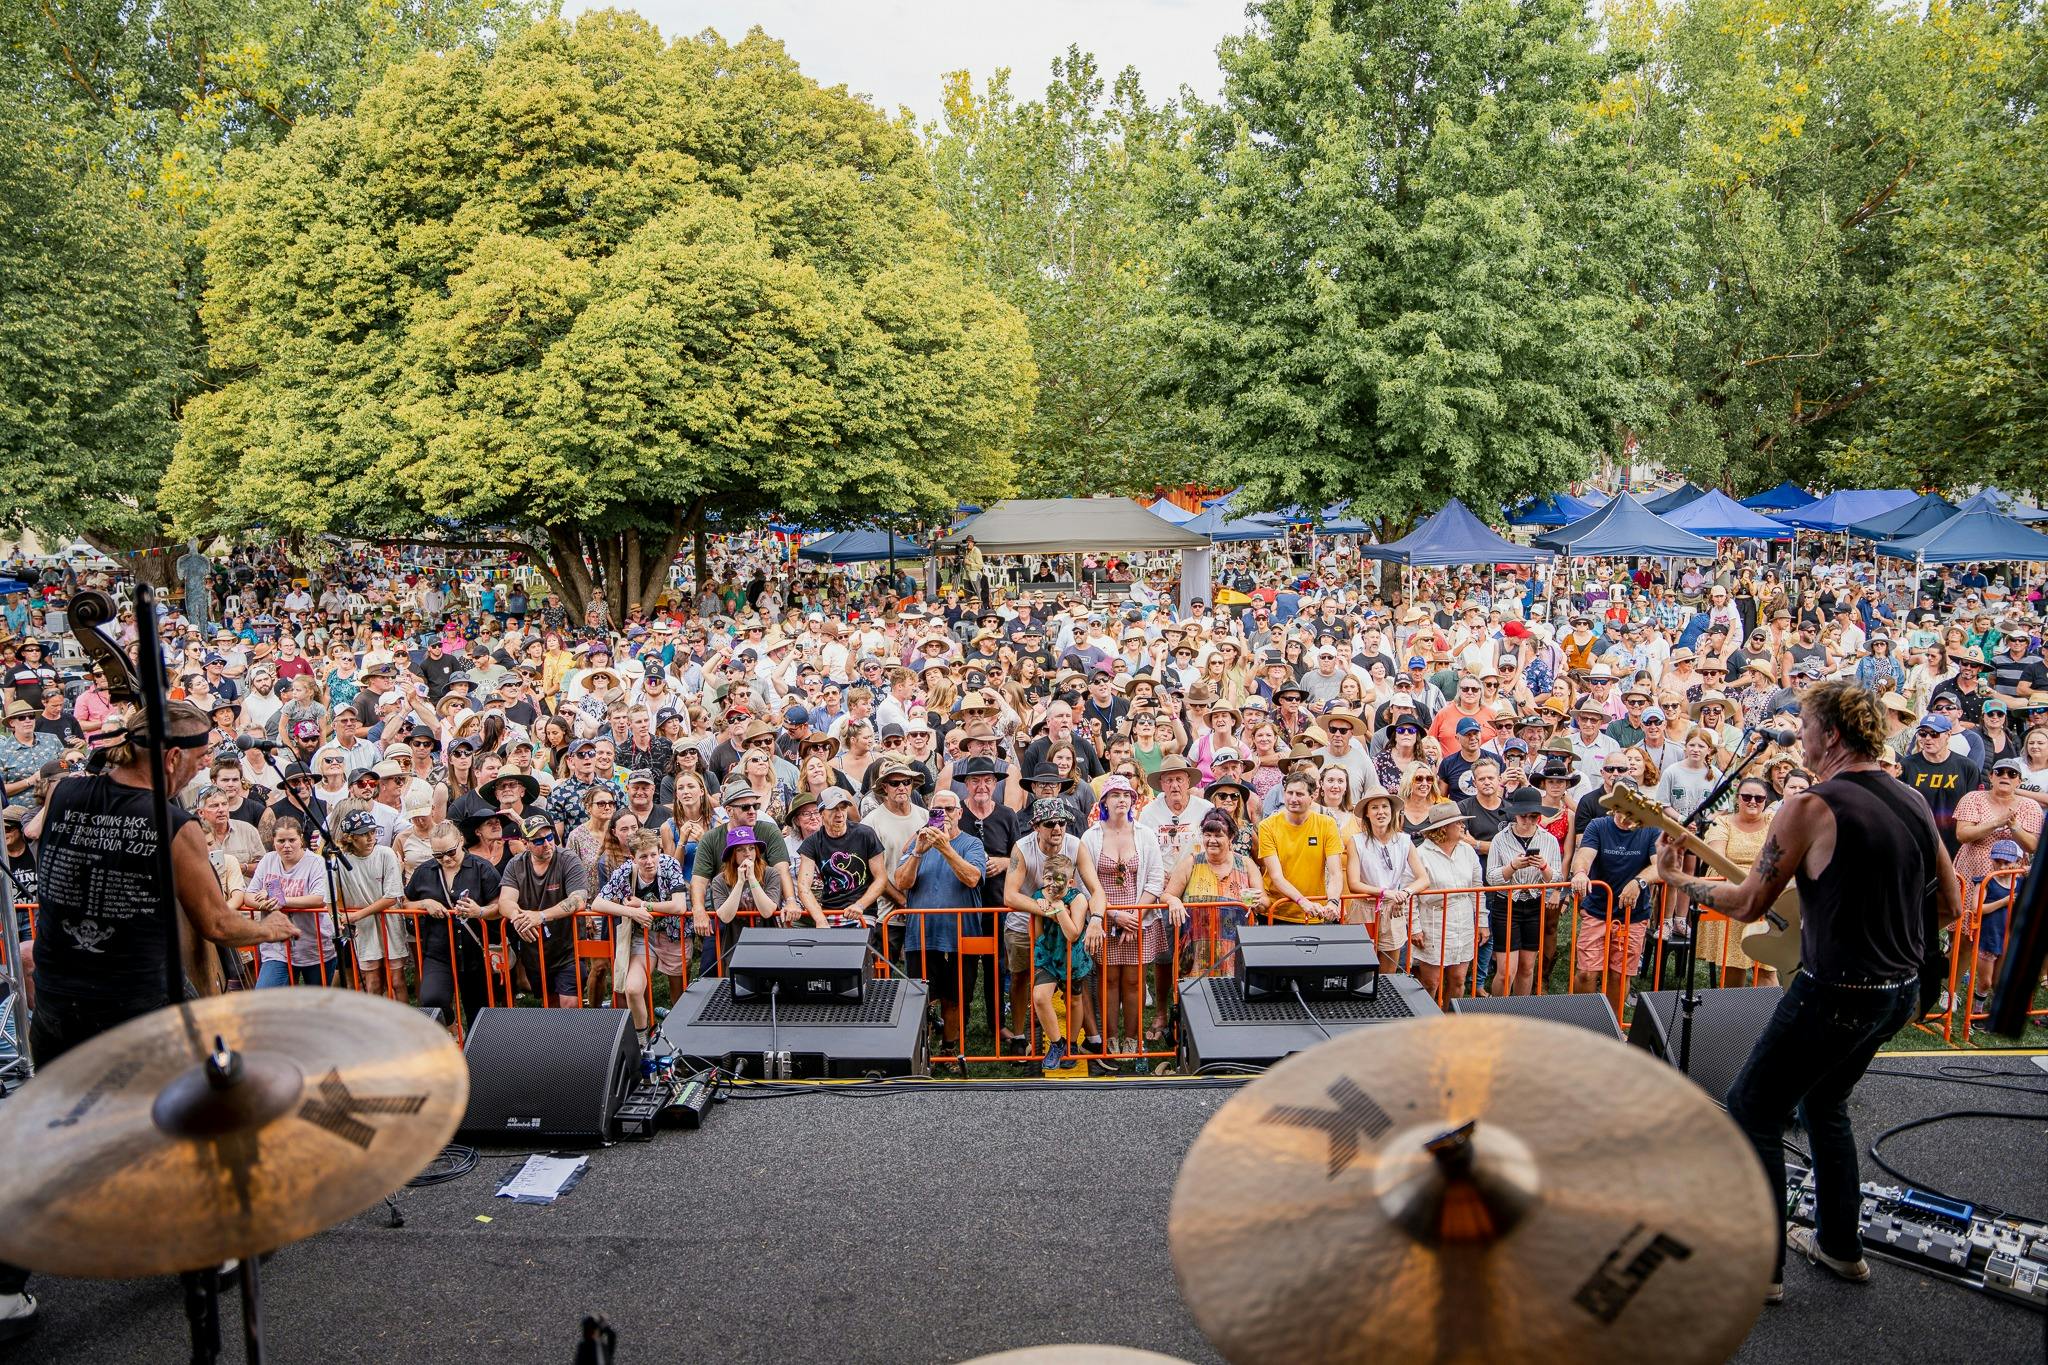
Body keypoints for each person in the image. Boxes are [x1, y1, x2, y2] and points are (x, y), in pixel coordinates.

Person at [1656, 680, 1962, 1305]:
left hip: (1836, 993)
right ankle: (1841, 1248)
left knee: (1752, 1112)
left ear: (1832, 735)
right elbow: (1952, 906)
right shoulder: (1909, 799)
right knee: (1825, 1106)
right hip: (1897, 991)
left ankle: (1761, 1268)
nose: (1797, 733)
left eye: (1804, 723)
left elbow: (1746, 905)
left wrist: (1672, 877)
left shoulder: (1811, 806)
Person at [0, 699, 297, 1339]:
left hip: (58, 998)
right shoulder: (173, 823)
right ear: (168, 756)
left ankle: (3, 1287)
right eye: (195, 759)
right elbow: (218, 923)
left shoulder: (70, 794)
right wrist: (269, 924)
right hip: (136, 1007)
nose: (199, 771)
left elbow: (65, 842)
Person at [888, 790, 987, 1060]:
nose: (943, 815)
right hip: (921, 935)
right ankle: (925, 1051)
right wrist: (919, 852)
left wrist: (944, 846)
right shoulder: (917, 842)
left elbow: (972, 878)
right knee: (922, 998)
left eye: (949, 809)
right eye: (936, 810)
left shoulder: (971, 844)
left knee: (955, 998)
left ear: (959, 813)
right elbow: (901, 882)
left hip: (960, 936)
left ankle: (950, 1049)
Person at [1951, 757, 2040, 1011]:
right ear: (1990, 777)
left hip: (2010, 878)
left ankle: (1989, 997)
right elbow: (1962, 834)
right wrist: (1996, 823)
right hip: (1972, 872)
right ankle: (1952, 992)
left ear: (2019, 781)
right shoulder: (1973, 799)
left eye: (2012, 774)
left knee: (2006, 937)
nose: (2005, 776)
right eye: (2000, 772)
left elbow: (2032, 845)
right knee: (1965, 935)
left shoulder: (2030, 806)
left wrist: (2014, 827)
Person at [402, 818, 503, 1031]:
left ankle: (476, 1055)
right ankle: (452, 1029)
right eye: (438, 855)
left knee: (479, 1013)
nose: (445, 859)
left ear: (461, 842)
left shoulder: (481, 868)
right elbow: (405, 901)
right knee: (431, 999)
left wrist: (480, 911)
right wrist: (424, 903)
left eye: (450, 852)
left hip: (475, 952)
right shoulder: (425, 872)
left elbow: (499, 905)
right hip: (439, 951)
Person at [592, 831, 689, 1046]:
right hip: (644, 937)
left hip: (674, 935)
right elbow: (598, 903)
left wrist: (644, 905)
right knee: (633, 988)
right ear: (633, 857)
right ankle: (643, 1042)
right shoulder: (626, 872)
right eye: (643, 857)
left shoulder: (670, 865)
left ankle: (681, 1044)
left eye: (653, 855)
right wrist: (632, 912)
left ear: (660, 852)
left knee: (679, 996)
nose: (649, 861)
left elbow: (679, 906)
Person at [496, 811, 586, 1010]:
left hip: (568, 947)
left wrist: (541, 916)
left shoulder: (568, 859)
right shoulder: (516, 865)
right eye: (538, 841)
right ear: (525, 842)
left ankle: (575, 1040)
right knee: (550, 1003)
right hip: (535, 951)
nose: (546, 844)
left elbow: (578, 899)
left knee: (569, 1003)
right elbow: (505, 901)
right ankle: (556, 1040)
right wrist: (518, 917)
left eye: (549, 837)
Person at [1483, 786, 1560, 996]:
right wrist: (1513, 866)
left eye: (1534, 817)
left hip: (1534, 904)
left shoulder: (1549, 840)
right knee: (1506, 971)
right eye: (1523, 816)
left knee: (1527, 968)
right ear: (1514, 815)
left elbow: (1557, 879)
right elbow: (1491, 878)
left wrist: (1543, 867)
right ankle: (1498, 1016)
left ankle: (1520, 1015)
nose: (1528, 821)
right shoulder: (1500, 839)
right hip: (1506, 904)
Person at [1023, 850, 1094, 1074]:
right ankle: (1057, 1043)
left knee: (1074, 1001)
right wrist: (1041, 910)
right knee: (1040, 997)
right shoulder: (1038, 896)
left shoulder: (1078, 898)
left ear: (1070, 881)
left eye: (1059, 879)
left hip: (1073, 957)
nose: (1053, 884)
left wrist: (1058, 909)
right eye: (1048, 878)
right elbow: (1035, 933)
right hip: (1049, 955)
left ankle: (1071, 1045)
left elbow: (1073, 934)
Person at [1406, 802, 1484, 1000]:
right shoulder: (1420, 854)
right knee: (1430, 981)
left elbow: (1478, 889)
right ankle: (1427, 1024)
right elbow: (1410, 894)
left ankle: (1451, 1022)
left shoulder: (1467, 851)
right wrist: (1414, 927)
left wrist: (1482, 922)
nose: (1462, 826)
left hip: (1463, 918)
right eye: (1458, 823)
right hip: (1434, 920)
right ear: (1443, 828)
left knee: (1458, 979)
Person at [331, 806, 408, 1000]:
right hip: (364, 928)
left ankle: (405, 1026)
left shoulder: (386, 854)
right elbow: (330, 898)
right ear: (351, 838)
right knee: (372, 982)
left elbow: (392, 896)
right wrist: (338, 916)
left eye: (372, 832)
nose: (370, 838)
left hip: (388, 923)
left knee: (397, 980)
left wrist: (357, 915)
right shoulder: (340, 862)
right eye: (363, 834)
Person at [1257, 770, 1343, 924]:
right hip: (1278, 912)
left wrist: (1333, 902)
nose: (1293, 799)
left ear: (1313, 796)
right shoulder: (1267, 826)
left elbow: (1335, 873)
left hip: (1315, 912)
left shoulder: (1327, 824)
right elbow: (1276, 876)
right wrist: (1302, 901)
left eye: (1299, 794)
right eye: (1290, 793)